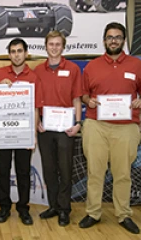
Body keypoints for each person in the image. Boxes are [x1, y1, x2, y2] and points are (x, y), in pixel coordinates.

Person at [79, 22, 141, 234]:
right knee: (95, 172)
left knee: (122, 174)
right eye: (110, 37)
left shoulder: (137, 65)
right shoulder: (92, 66)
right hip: (96, 126)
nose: (113, 40)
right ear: (104, 40)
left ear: (124, 40)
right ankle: (93, 212)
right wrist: (88, 101)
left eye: (118, 37)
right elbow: (84, 94)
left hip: (126, 127)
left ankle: (123, 214)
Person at [0, 38, 41, 225]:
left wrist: (33, 134)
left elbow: (35, 108)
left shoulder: (33, 77)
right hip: (2, 133)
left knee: (23, 171)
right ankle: (4, 207)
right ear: (9, 54)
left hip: (23, 133)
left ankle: (23, 208)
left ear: (26, 53)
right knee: (2, 171)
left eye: (20, 51)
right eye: (13, 51)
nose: (16, 54)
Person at [33, 31, 82, 226]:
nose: (54, 47)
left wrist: (78, 123)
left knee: (65, 168)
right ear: (46, 46)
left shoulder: (72, 69)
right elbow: (35, 100)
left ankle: (64, 209)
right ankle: (53, 205)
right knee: (49, 168)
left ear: (63, 47)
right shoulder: (37, 70)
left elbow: (77, 98)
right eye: (51, 44)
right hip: (45, 127)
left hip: (65, 127)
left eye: (58, 44)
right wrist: (37, 121)